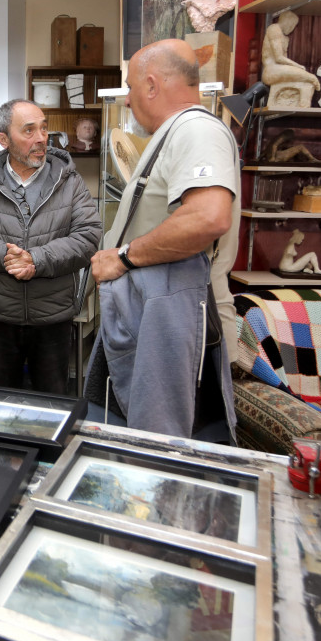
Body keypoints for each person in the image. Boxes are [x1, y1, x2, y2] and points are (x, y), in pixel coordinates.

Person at [85, 39, 238, 441]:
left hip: (169, 322)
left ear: (151, 85)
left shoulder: (197, 129)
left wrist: (123, 257)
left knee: (162, 447)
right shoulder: (175, 133)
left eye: (132, 89)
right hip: (148, 320)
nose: (130, 101)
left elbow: (208, 216)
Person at [0, 99, 102, 392]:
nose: (41, 138)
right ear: (4, 139)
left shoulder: (69, 182)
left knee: (53, 404)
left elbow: (88, 236)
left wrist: (36, 259)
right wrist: (5, 256)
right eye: (29, 130)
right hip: (0, 317)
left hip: (53, 318)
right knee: (2, 405)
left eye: (44, 129)